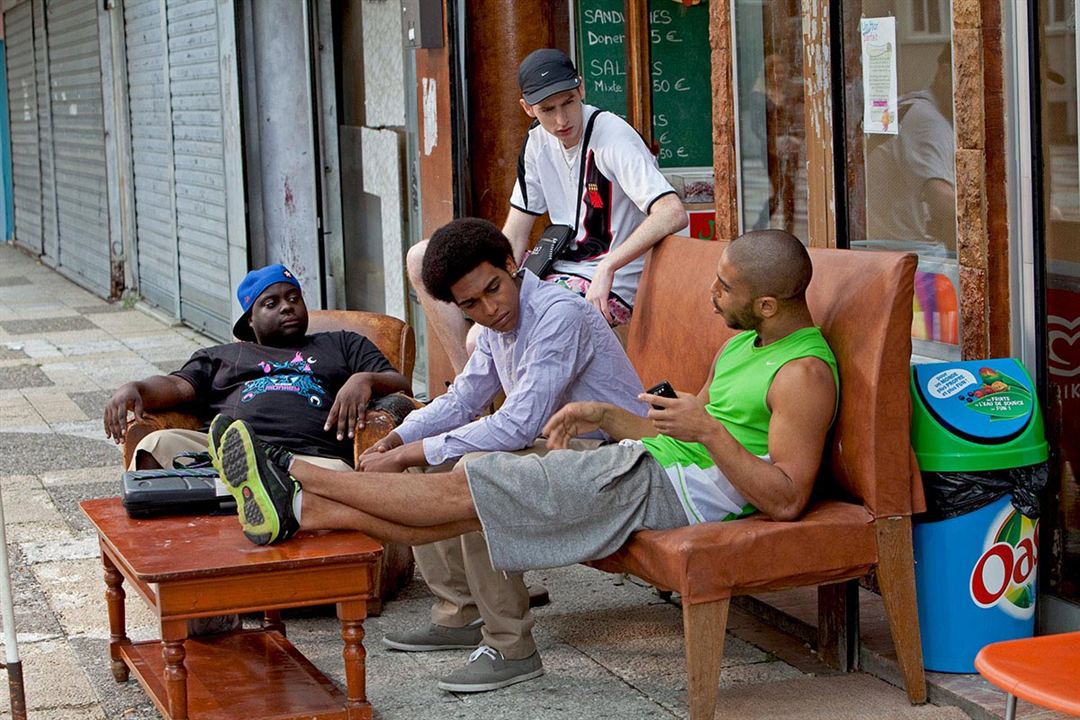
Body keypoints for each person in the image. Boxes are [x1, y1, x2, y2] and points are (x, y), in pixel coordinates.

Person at [212, 229, 839, 694]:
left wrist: (699, 430)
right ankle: (304, 507)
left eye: (724, 286)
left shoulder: (804, 372)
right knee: (455, 492)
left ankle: (296, 473)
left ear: (765, 303)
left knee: (470, 483)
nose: (712, 294)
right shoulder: (745, 346)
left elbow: (785, 497)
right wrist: (606, 416)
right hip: (637, 456)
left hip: (662, 485)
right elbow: (673, 426)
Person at [319, 218, 648, 692]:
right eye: (470, 305)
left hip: (616, 460)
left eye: (494, 289)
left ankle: (510, 644)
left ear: (512, 266)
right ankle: (461, 612)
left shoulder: (559, 314)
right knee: (427, 464)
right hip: (563, 454)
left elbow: (518, 425)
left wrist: (413, 450)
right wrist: (400, 438)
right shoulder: (497, 325)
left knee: (478, 472)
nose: (490, 309)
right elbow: (463, 400)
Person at [406, 48, 688, 371]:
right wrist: (499, 278)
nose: (561, 120)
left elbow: (671, 211)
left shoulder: (612, 135)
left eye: (568, 102)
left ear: (581, 89)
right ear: (527, 108)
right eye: (547, 109)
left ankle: (494, 408)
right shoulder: (536, 142)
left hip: (610, 278)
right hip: (558, 267)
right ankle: (467, 393)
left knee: (482, 341)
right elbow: (515, 231)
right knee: (420, 259)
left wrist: (609, 265)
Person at [104, 263, 412, 472]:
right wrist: (135, 388)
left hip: (312, 458)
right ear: (250, 319)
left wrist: (364, 379)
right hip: (228, 451)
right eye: (271, 303)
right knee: (155, 444)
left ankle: (265, 488)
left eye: (294, 298)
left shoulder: (342, 344)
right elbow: (176, 387)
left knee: (340, 478)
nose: (287, 306)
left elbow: (400, 385)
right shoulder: (222, 356)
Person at [866, 45, 956, 254]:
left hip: (882, 247)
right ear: (944, 72)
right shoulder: (930, 122)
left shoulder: (907, 105)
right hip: (915, 255)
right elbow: (940, 197)